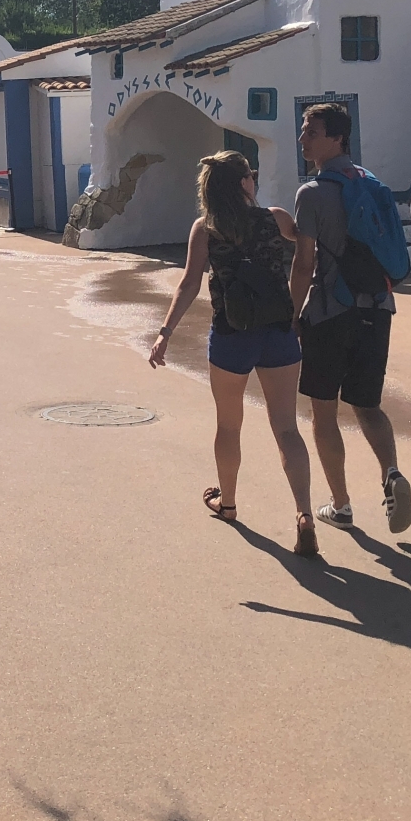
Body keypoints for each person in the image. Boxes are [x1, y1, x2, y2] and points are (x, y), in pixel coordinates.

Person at [149, 150, 318, 558]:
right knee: (287, 429)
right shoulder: (276, 219)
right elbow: (307, 247)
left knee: (228, 425)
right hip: (278, 331)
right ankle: (304, 514)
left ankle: (228, 504)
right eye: (251, 174)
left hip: (231, 334)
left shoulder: (205, 229)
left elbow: (189, 283)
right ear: (243, 182)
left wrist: (165, 333)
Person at [290, 102, 411, 535]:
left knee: (323, 413)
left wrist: (291, 315)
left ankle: (340, 505)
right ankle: (392, 473)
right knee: (368, 405)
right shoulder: (372, 184)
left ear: (337, 138)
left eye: (312, 132)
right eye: (304, 130)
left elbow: (304, 264)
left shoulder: (312, 192)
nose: (303, 139)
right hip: (377, 308)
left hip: (330, 313)